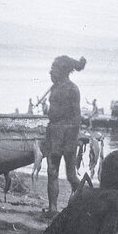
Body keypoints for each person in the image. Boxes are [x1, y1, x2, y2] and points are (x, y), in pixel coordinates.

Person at [42, 55, 86, 216]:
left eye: (54, 69)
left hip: (67, 135)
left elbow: (77, 116)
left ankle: (85, 204)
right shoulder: (55, 88)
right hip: (54, 133)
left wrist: (74, 139)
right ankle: (52, 209)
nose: (50, 72)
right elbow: (54, 112)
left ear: (63, 71)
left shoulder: (72, 89)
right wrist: (47, 112)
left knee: (71, 175)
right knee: (52, 172)